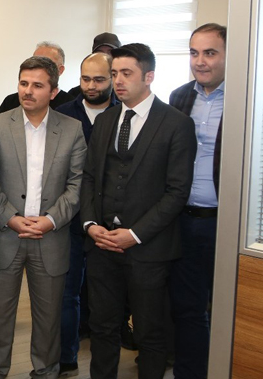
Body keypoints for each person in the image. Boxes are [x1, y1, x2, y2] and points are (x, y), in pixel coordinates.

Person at [81, 43, 197, 379]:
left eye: (126, 73)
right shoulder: (105, 120)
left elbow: (177, 192)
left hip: (149, 249)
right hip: (102, 244)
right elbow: (89, 177)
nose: (118, 81)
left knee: (149, 331)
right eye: (115, 73)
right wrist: (90, 224)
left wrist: (134, 234)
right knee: (102, 326)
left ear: (149, 76)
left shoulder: (176, 124)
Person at [0, 56, 86, 379]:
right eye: (23, 83)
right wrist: (10, 217)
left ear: (53, 92)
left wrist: (50, 220)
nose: (28, 91)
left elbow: (77, 185)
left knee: (49, 319)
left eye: (37, 85)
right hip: (5, 235)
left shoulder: (72, 129)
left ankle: (46, 372)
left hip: (50, 236)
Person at [54, 52, 120, 377]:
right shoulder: (63, 114)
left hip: (111, 223)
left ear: (113, 79)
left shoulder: (125, 114)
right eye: (85, 79)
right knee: (67, 294)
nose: (91, 86)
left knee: (108, 299)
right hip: (70, 219)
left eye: (99, 79)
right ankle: (67, 359)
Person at [168, 23, 226, 379]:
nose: (200, 61)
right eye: (194, 52)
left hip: (226, 225)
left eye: (210, 53)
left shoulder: (248, 98)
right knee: (188, 309)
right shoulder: (179, 98)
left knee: (228, 308)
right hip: (184, 220)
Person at [0, 42, 74, 114]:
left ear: (60, 70)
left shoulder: (71, 106)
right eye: (35, 61)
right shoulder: (10, 102)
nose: (38, 66)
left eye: (47, 64)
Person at [64, 32, 122, 100]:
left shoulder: (126, 93)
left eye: (111, 52)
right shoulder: (75, 94)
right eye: (100, 52)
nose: (105, 56)